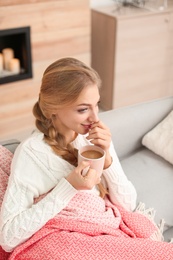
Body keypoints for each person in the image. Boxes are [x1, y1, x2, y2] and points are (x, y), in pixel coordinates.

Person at [0, 57, 172, 260]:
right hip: (67, 243)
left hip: (105, 231)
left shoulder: (93, 137)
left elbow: (128, 205)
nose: (95, 118)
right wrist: (69, 187)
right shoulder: (32, 153)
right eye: (83, 109)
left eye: (96, 105)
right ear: (54, 107)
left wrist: (108, 160)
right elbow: (8, 238)